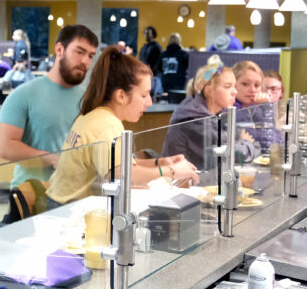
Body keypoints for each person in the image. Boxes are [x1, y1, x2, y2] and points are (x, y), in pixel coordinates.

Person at [49, 51, 199, 207]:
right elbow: (123, 176)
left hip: (61, 204)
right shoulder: (106, 124)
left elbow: (122, 167)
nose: (148, 102)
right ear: (121, 96)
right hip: (67, 210)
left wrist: (160, 162)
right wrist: (172, 171)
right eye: (144, 95)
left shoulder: (97, 115)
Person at [0, 24, 98, 194]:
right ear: (59, 49)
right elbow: (5, 147)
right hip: (31, 196)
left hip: (74, 195)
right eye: (79, 52)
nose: (85, 61)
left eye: (90, 56)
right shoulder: (22, 95)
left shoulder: (87, 100)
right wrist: (51, 158)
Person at [162, 65, 257, 167]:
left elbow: (252, 144)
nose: (235, 92)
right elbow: (235, 154)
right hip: (183, 180)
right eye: (227, 86)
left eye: (234, 86)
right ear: (208, 91)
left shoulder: (220, 113)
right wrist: (245, 142)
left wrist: (242, 145)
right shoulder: (195, 119)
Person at [232, 60, 281, 153]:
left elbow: (274, 143)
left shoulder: (258, 109)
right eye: (245, 84)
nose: (252, 90)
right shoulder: (229, 110)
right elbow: (266, 146)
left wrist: (266, 108)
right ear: (233, 84)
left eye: (257, 85)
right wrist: (266, 109)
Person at [138, 26, 163, 96]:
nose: (146, 35)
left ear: (153, 34)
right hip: (143, 73)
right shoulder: (144, 47)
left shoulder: (157, 46)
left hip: (153, 74)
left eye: (148, 33)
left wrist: (152, 71)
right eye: (145, 33)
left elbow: (159, 61)